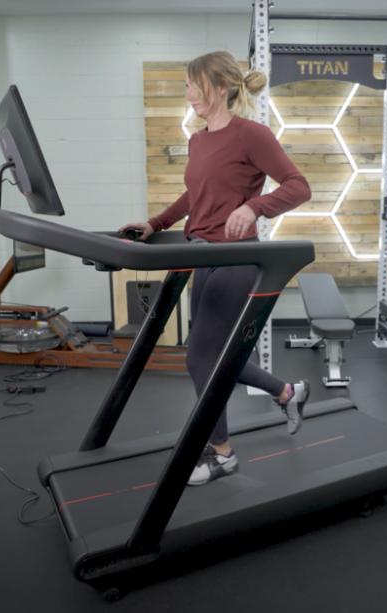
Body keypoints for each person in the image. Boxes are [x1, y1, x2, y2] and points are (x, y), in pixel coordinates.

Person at [121, 51, 312, 486]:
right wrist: (155, 223)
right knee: (218, 358)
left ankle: (222, 453)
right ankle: (288, 392)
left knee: (199, 357)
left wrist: (254, 206)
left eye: (193, 85)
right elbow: (195, 196)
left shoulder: (252, 135)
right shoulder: (198, 139)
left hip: (238, 257)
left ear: (220, 88)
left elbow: (299, 186)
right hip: (201, 256)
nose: (187, 93)